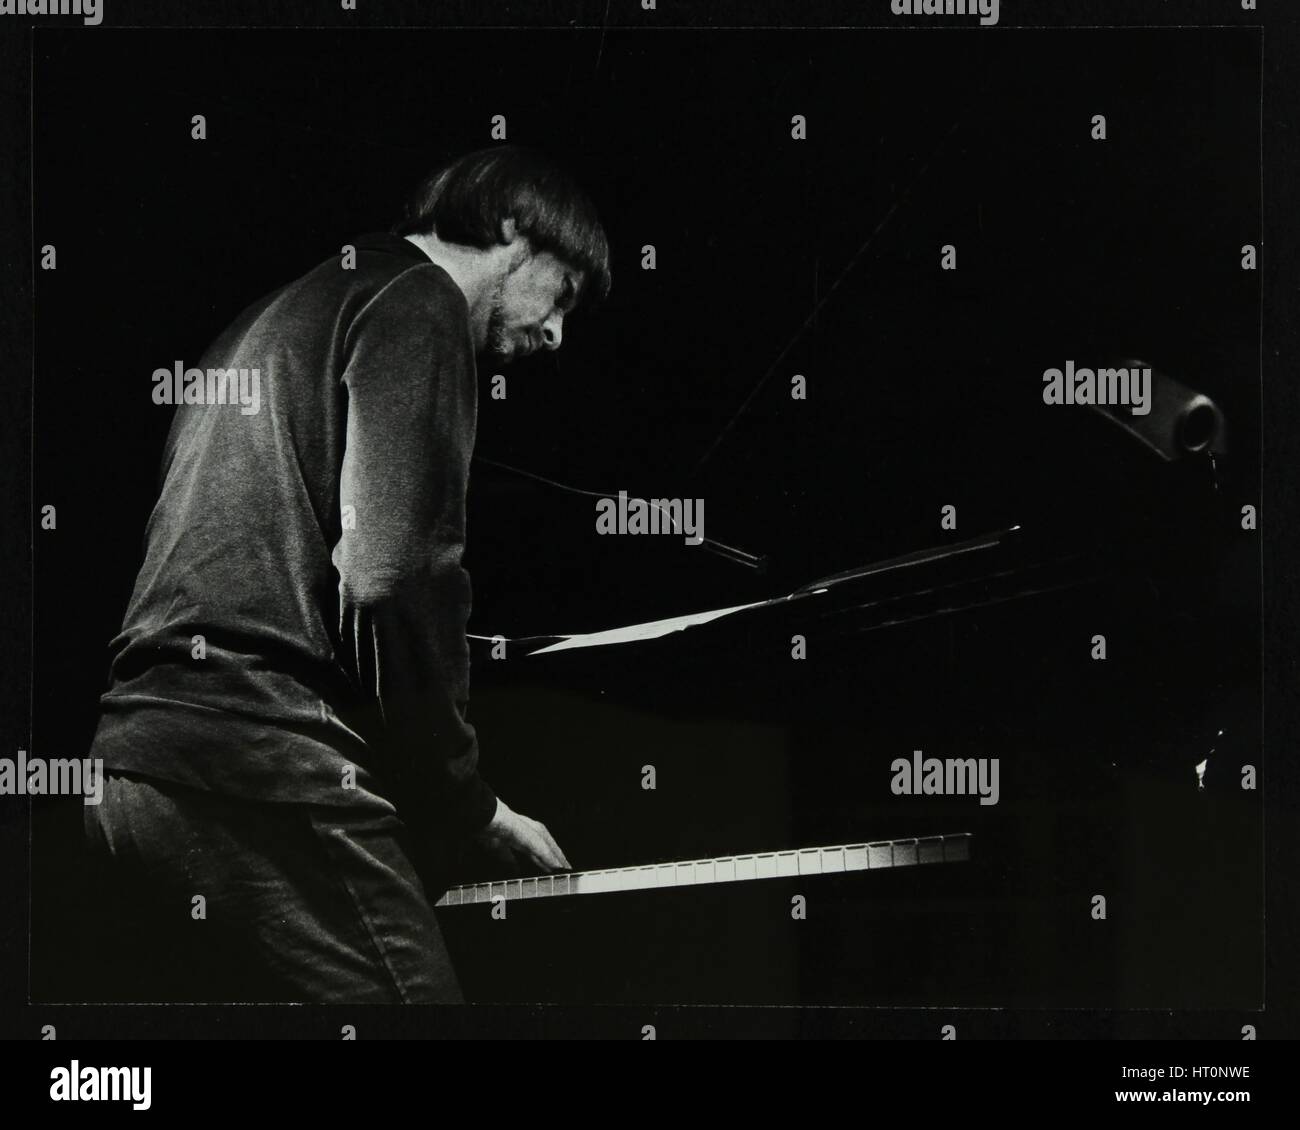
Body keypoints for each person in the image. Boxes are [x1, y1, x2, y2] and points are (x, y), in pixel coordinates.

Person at [83, 146, 611, 1003]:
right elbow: (389, 574)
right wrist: (466, 800)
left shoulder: (264, 323)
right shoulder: (420, 300)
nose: (557, 333)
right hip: (253, 764)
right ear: (515, 227)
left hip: (130, 779)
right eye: (565, 292)